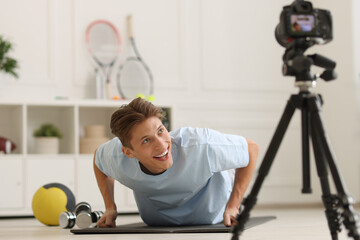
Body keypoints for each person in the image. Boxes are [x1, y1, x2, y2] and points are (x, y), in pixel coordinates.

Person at [93, 97, 258, 227]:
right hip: (158, 220)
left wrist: (234, 206)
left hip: (212, 213)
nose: (161, 145)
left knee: (223, 162)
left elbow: (251, 149)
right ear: (129, 152)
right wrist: (110, 208)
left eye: (160, 131)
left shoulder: (202, 144)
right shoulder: (117, 155)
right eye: (146, 140)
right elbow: (98, 160)